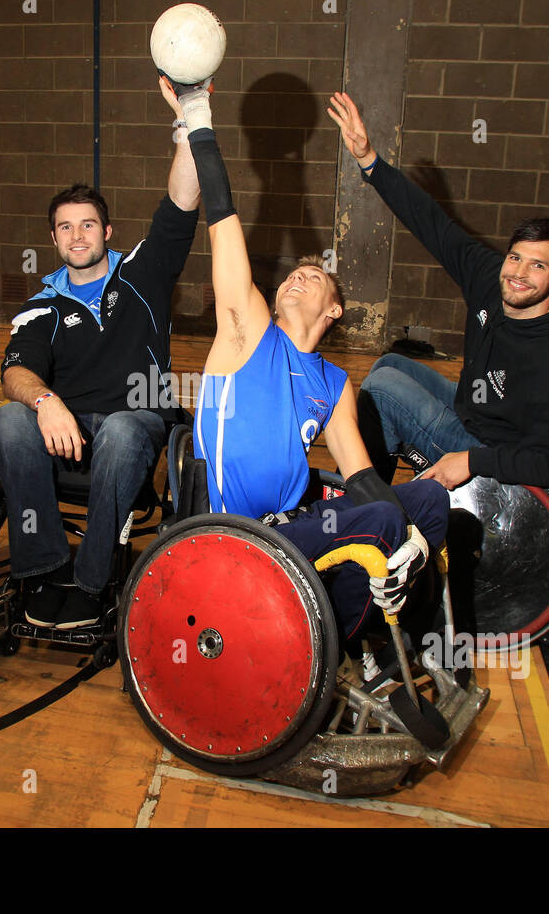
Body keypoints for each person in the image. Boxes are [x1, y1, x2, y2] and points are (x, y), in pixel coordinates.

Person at [170, 78, 449, 644]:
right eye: (292, 274)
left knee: (430, 498)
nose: (298, 274)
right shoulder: (246, 333)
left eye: (314, 275)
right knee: (387, 520)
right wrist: (197, 113)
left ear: (335, 309)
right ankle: (345, 641)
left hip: (296, 531)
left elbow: (363, 476)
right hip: (234, 537)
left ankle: (374, 633)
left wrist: (413, 534)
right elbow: (221, 217)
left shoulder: (335, 383)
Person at [0, 77, 200, 630]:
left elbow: (182, 201)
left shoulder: (143, 274)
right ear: (54, 240)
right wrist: (44, 402)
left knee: (126, 430)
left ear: (107, 230)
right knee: (10, 421)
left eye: (87, 225)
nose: (77, 236)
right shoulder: (43, 303)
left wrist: (189, 119)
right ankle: (45, 568)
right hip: (68, 426)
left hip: (135, 420)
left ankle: (92, 578)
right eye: (65, 228)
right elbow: (15, 371)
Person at [328, 92, 549, 498]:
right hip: (474, 416)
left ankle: (362, 506)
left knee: (383, 393)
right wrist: (370, 161)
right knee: (389, 364)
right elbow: (433, 225)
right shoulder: (493, 279)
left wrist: (471, 462)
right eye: (516, 258)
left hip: (500, 470)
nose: (519, 274)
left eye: (538, 266)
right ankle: (367, 501)